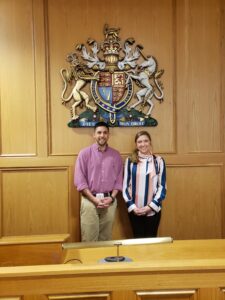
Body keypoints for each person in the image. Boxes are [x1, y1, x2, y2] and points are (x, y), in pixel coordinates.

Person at [74, 121, 123, 242]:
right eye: (99, 132)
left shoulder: (116, 155)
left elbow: (119, 180)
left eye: (105, 132)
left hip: (109, 202)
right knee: (89, 239)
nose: (102, 135)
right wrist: (94, 199)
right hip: (89, 201)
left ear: (108, 135)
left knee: (106, 239)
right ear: (94, 135)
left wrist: (111, 198)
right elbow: (80, 181)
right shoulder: (84, 154)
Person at [123, 131, 166, 238]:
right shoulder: (130, 160)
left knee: (151, 242)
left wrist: (150, 207)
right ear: (136, 144)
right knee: (137, 241)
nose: (143, 144)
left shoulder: (159, 161)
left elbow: (162, 187)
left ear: (150, 142)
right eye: (140, 142)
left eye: (146, 141)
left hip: (153, 211)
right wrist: (132, 207)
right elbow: (124, 187)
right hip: (135, 211)